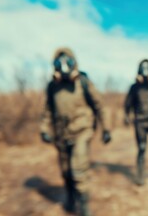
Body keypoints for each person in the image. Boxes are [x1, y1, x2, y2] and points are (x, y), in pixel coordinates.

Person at [40, 47, 111, 216]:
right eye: (59, 63)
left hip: (82, 132)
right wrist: (44, 129)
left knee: (78, 169)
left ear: (74, 63)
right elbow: (48, 110)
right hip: (61, 135)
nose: (64, 66)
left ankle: (84, 205)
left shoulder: (83, 82)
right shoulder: (52, 86)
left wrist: (106, 128)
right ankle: (71, 198)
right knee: (66, 171)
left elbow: (100, 105)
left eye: (68, 62)